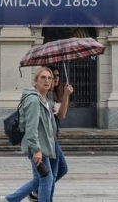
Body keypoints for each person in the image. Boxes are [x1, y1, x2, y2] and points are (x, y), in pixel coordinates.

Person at [0, 67, 57, 202]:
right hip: (37, 146)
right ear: (36, 81)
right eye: (43, 77)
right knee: (46, 179)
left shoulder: (44, 99)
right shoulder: (33, 100)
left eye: (49, 78)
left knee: (39, 179)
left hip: (42, 144)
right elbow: (31, 127)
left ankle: (10, 200)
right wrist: (36, 150)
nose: (47, 80)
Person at [28, 66, 73, 202]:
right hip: (46, 138)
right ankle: (37, 195)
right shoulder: (42, 95)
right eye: (52, 76)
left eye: (55, 76)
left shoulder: (53, 94)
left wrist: (66, 95)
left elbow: (62, 114)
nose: (55, 79)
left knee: (60, 170)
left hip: (53, 137)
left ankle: (36, 193)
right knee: (48, 176)